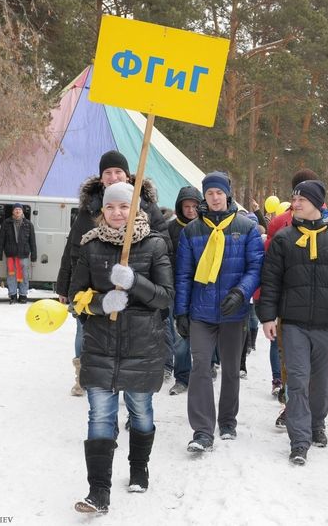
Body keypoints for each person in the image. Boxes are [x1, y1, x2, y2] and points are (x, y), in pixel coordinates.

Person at [70, 182, 173, 514]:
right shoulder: (90, 245)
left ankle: (139, 467)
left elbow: (165, 297)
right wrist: (101, 302)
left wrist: (135, 283)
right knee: (100, 415)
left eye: (124, 207)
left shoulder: (155, 245)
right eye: (111, 207)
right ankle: (98, 491)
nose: (117, 213)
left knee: (140, 412)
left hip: (142, 344)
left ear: (136, 210)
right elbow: (76, 298)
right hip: (100, 343)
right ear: (103, 211)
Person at [258, 180, 328, 465]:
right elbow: (271, 282)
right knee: (297, 380)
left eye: (301, 199)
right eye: (294, 199)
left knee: (322, 381)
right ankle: (299, 440)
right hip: (292, 323)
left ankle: (317, 423)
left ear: (316, 203)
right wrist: (267, 316)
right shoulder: (283, 238)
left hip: (326, 324)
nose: (295, 204)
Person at [56, 150, 167, 397]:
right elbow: (73, 246)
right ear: (101, 177)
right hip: (93, 285)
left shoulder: (146, 204)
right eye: (108, 173)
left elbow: (163, 242)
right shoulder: (90, 207)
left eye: (118, 172)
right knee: (84, 330)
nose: (114, 176)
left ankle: (129, 380)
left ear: (127, 176)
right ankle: (84, 374)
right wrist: (64, 286)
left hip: (135, 286)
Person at [174, 171, 264, 452]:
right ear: (205, 196)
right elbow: (184, 274)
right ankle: (202, 430)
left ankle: (227, 420)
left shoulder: (246, 227)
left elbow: (255, 267)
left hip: (234, 312)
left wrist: (240, 293)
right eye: (209, 193)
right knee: (200, 366)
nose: (214, 198)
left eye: (218, 192)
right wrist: (181, 312)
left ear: (228, 194)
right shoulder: (192, 231)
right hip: (201, 312)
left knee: (230, 369)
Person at [166, 186, 204, 396]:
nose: (190, 210)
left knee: (204, 335)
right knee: (180, 335)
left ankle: (204, 372)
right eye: (186, 206)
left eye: (194, 206)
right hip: (175, 288)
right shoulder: (170, 228)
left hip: (201, 288)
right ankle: (182, 377)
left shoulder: (206, 227)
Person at [0, 203, 36, 304]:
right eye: (16, 209)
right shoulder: (6, 223)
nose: (17, 211)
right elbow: (1, 239)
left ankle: (23, 295)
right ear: (13, 211)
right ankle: (12, 295)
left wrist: (34, 255)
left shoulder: (28, 224)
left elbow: (32, 241)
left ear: (22, 212)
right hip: (11, 255)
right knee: (11, 276)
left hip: (24, 255)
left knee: (24, 276)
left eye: (19, 209)